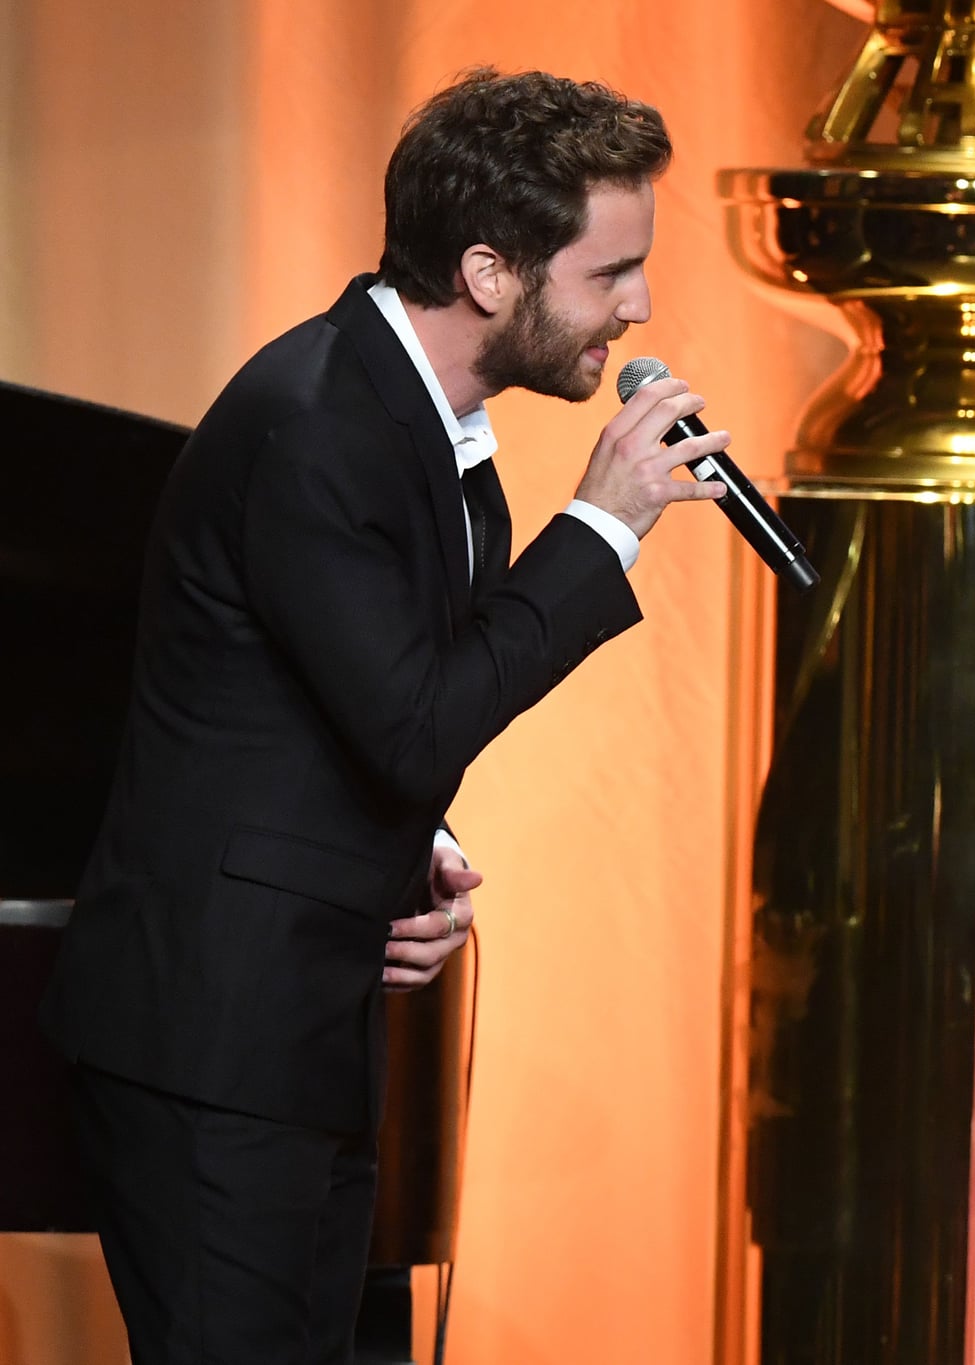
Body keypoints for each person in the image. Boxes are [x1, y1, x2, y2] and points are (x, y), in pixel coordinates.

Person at [39, 69, 729, 1362]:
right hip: (216, 1050)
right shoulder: (319, 426)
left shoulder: (417, 410)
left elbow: (336, 711)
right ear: (487, 270)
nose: (636, 309)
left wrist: (411, 842)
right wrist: (605, 524)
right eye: (609, 272)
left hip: (304, 1039)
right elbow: (412, 718)